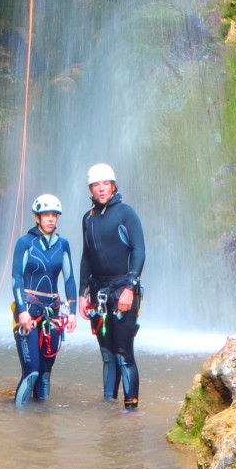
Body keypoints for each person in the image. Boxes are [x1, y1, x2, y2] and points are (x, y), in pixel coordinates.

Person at [77, 163, 145, 410]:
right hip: (99, 294)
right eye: (96, 184)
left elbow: (139, 250)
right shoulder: (88, 219)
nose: (101, 188)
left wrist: (130, 286)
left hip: (123, 291)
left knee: (124, 353)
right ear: (91, 189)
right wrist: (83, 294)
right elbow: (87, 257)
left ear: (114, 186)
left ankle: (130, 409)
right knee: (107, 354)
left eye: (106, 183)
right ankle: (108, 405)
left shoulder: (126, 214)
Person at [11, 193, 77, 406]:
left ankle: (41, 426)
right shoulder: (25, 243)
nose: (50, 219)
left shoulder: (63, 245)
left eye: (54, 215)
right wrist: (21, 310)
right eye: (45, 215)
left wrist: (72, 311)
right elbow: (17, 278)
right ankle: (19, 421)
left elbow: (69, 279)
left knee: (46, 373)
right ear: (37, 218)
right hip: (28, 310)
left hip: (53, 313)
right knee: (32, 371)